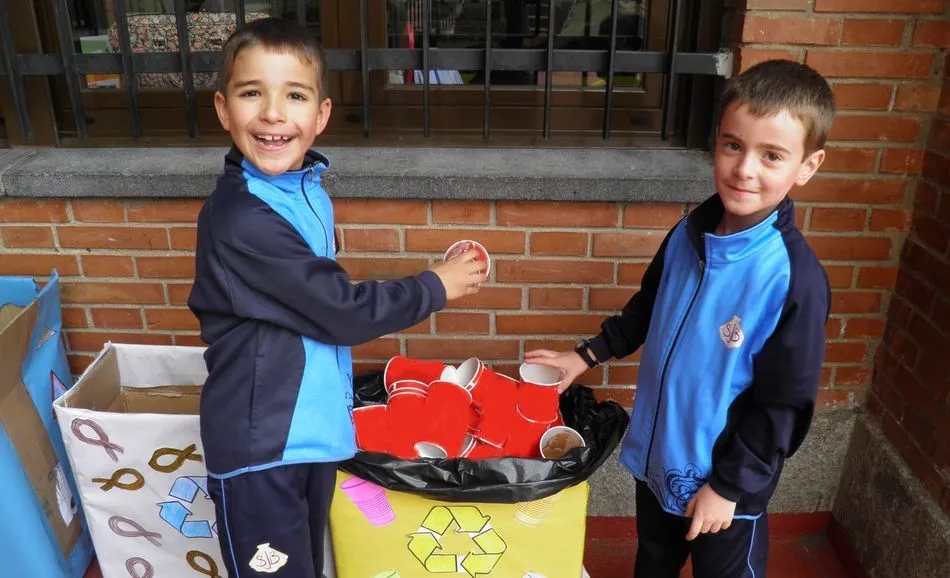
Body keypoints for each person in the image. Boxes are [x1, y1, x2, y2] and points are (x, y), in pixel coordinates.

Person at [187, 17, 485, 578]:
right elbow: (339, 311)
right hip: (263, 447)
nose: (274, 113)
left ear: (320, 115)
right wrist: (435, 285)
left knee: (306, 561)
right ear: (225, 110)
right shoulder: (241, 218)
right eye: (253, 93)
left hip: (310, 430)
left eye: (294, 95)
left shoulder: (302, 187)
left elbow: (307, 282)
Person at [526, 59, 835, 577]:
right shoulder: (689, 232)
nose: (745, 169)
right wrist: (584, 356)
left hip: (724, 489)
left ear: (807, 165)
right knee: (653, 561)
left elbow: (782, 408)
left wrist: (728, 487)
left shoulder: (792, 279)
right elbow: (648, 308)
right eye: (733, 145)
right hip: (659, 459)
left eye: (772, 155)